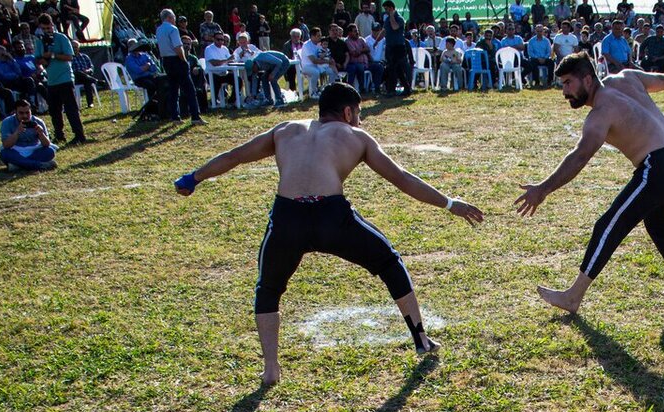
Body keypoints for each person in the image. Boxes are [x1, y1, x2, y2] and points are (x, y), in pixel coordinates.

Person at [173, 82, 483, 384]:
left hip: (287, 218)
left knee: (268, 289)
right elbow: (401, 178)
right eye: (359, 113)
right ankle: (422, 340)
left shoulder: (285, 129)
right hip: (331, 217)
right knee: (389, 263)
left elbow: (233, 156)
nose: (359, 119)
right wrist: (449, 203)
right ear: (348, 113)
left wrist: (193, 178)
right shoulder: (355, 135)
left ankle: (271, 369)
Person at [515, 52, 664, 313]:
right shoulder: (627, 78)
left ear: (587, 80)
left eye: (568, 83)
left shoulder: (600, 113)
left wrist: (542, 189)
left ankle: (572, 297)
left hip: (661, 166)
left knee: (609, 225)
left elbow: (579, 157)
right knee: (658, 224)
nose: (564, 91)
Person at [34, 13, 85, 144]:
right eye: (43, 29)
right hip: (51, 80)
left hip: (65, 78)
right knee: (54, 110)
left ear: (52, 25)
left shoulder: (61, 38)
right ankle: (59, 135)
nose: (46, 31)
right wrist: (43, 59)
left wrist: (53, 55)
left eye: (48, 28)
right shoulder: (39, 41)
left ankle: (79, 135)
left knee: (70, 109)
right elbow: (38, 60)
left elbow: (69, 57)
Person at [156, 8, 205, 124]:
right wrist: (183, 60)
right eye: (173, 17)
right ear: (169, 17)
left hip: (166, 60)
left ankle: (175, 117)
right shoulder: (173, 29)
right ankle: (195, 117)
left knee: (173, 89)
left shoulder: (159, 29)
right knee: (190, 89)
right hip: (176, 60)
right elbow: (178, 47)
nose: (175, 19)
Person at [0, 98, 57, 170]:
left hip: (34, 149)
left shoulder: (38, 122)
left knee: (49, 151)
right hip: (15, 150)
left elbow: (46, 144)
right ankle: (39, 165)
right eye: (21, 113)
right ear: (15, 112)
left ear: (31, 111)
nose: (25, 116)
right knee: (4, 154)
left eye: (27, 112)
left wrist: (41, 134)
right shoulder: (7, 122)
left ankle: (18, 165)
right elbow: (6, 145)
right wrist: (17, 132)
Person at [381, 0, 412, 96]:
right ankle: (401, 89)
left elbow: (395, 27)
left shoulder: (399, 18)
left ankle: (393, 90)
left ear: (391, 8)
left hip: (398, 47)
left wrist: (391, 16)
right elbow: (384, 30)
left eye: (386, 9)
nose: (385, 11)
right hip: (390, 47)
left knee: (397, 68)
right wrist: (377, 41)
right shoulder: (386, 19)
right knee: (393, 68)